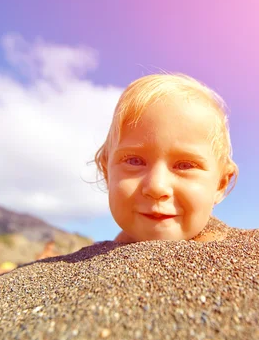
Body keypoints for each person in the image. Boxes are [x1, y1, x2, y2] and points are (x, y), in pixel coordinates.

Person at [93, 73, 238, 243]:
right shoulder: (98, 259)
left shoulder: (223, 254)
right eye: (134, 161)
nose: (157, 187)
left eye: (185, 165)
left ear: (220, 184)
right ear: (106, 173)